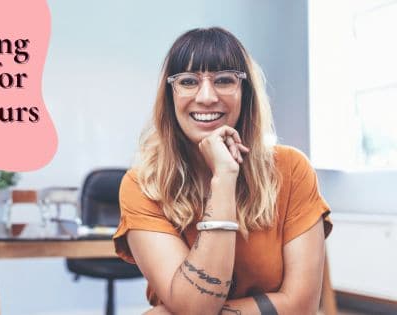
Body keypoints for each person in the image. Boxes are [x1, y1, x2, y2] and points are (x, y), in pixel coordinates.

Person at [113, 27, 332, 315]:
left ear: (246, 93)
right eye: (188, 81)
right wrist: (224, 180)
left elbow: (301, 306)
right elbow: (195, 308)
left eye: (224, 80)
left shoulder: (292, 169)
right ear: (170, 96)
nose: (206, 97)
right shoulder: (143, 185)